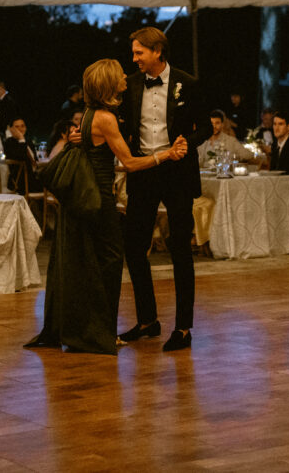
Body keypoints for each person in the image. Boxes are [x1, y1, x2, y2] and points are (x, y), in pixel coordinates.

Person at [26, 58, 187, 355]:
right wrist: (167, 155)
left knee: (86, 264)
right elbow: (130, 162)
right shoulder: (105, 118)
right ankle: (100, 333)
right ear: (109, 83)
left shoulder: (88, 114)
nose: (126, 78)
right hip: (99, 199)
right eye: (120, 77)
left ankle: (84, 328)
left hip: (85, 199)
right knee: (110, 264)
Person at [118, 26, 210, 352]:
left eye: (139, 52)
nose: (134, 58)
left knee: (180, 249)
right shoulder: (129, 85)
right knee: (134, 246)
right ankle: (147, 321)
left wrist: (189, 141)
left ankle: (183, 328)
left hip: (177, 173)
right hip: (144, 171)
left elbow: (207, 128)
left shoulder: (188, 82)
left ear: (157, 51)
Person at [4, 117, 39, 193]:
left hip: (33, 177)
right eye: (17, 127)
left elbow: (35, 159)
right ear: (11, 129)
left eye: (22, 126)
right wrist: (21, 139)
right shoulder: (9, 143)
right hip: (21, 181)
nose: (20, 129)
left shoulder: (28, 141)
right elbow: (21, 157)